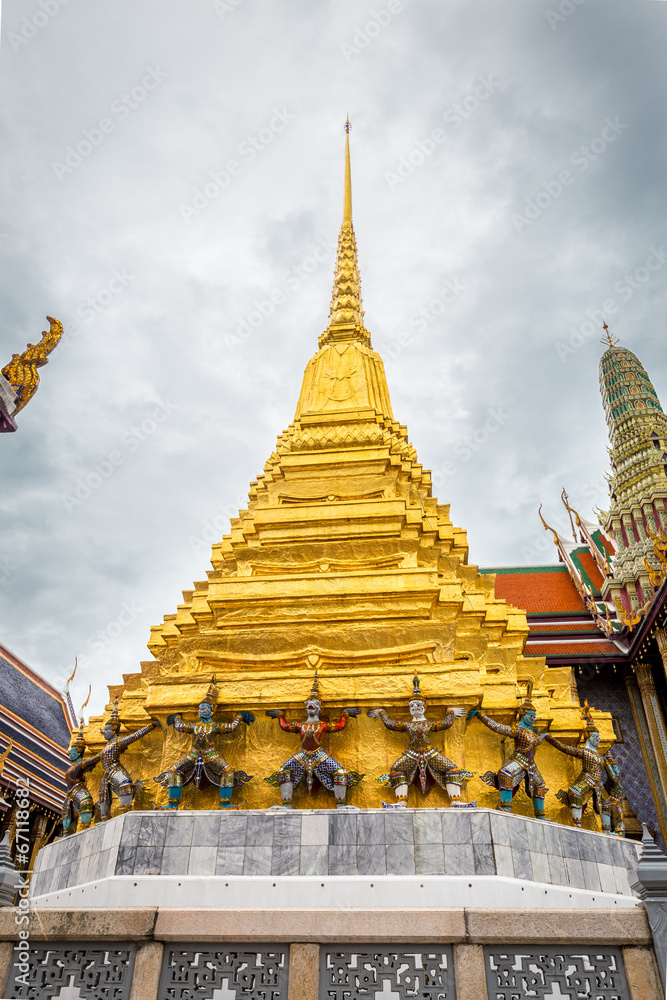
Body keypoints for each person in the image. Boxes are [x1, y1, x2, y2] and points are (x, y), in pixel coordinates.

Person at [368, 676, 472, 802]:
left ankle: (455, 801)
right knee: (396, 769)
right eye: (412, 706)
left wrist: (450, 712)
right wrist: (382, 712)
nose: (415, 707)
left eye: (418, 705)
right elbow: (390, 724)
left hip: (429, 752)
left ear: (424, 707)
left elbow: (447, 723)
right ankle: (401, 802)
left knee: (452, 768)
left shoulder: (429, 724)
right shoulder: (407, 725)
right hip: (412, 753)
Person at [153, 678, 253, 809]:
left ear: (212, 710)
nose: (201, 711)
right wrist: (176, 717)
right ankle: (172, 804)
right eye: (200, 709)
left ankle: (225, 803)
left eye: (204, 708)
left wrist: (239, 717)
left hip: (211, 755)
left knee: (228, 772)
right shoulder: (194, 726)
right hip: (194, 755)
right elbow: (180, 727)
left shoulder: (215, 726)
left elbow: (231, 727)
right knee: (173, 771)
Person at [265, 673, 362, 807]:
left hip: (319, 754)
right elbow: (284, 726)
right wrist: (279, 715)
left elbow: (340, 725)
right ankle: (287, 806)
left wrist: (345, 714)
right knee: (284, 770)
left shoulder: (323, 725)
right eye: (309, 704)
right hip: (303, 754)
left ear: (319, 708)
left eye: (314, 704)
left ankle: (341, 805)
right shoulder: (300, 725)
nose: (311, 705)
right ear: (305, 707)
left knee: (340, 772)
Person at [467, 685, 548, 817]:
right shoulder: (517, 731)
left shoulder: (533, 735)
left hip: (531, 764)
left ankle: (540, 816)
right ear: (522, 714)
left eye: (534, 716)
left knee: (540, 784)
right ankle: (506, 808)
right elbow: (497, 727)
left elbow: (538, 740)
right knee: (504, 773)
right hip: (518, 760)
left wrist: (543, 737)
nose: (533, 718)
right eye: (530, 715)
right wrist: (481, 715)